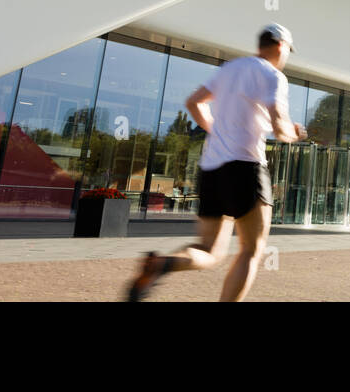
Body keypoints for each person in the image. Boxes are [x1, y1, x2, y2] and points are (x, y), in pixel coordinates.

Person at [126, 23, 305, 302]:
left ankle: (162, 264)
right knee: (250, 251)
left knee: (209, 250)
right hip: (246, 167)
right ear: (281, 46)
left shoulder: (230, 69)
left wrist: (216, 130)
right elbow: (279, 124)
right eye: (287, 52)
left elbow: (194, 102)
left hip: (211, 170)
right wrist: (294, 134)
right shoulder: (272, 75)